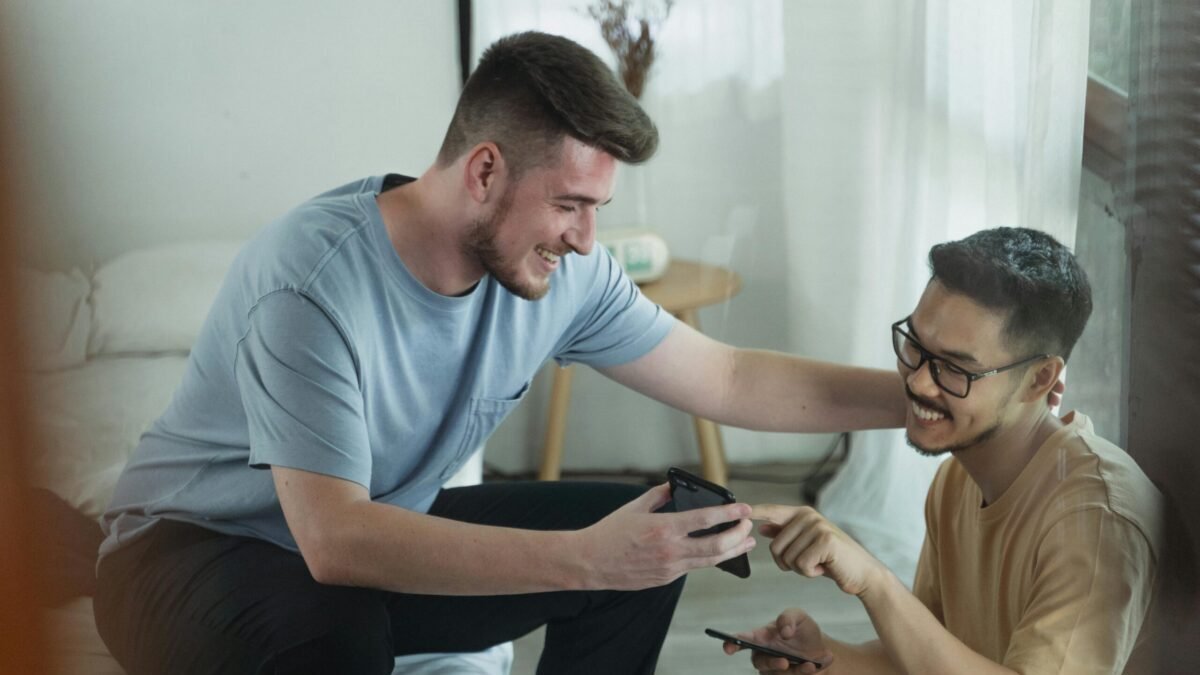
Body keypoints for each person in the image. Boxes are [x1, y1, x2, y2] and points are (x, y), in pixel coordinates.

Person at [94, 31, 910, 675]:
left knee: (657, 534)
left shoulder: (561, 273)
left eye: (597, 209)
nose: (588, 240)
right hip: (187, 557)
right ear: (484, 170)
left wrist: (923, 396)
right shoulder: (310, 285)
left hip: (363, 542)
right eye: (570, 205)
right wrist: (586, 561)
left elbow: (728, 375)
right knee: (336, 634)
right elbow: (336, 541)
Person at [725, 227, 1163, 675]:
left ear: (1039, 379)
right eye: (914, 345)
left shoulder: (1098, 521)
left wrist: (875, 582)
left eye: (954, 368)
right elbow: (928, 660)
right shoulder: (958, 480)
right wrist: (826, 659)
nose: (916, 382)